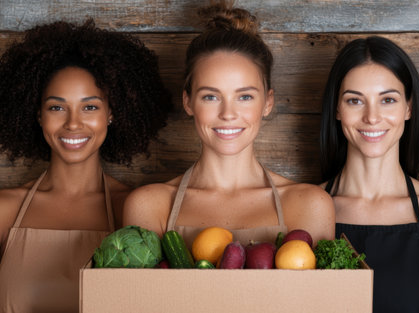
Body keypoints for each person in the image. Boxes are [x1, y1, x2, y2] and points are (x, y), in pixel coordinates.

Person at [123, 2, 335, 249]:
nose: (228, 114)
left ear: (267, 103)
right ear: (188, 102)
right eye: (211, 96)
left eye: (244, 96)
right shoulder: (149, 206)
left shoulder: (309, 204)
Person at [0, 20, 172, 312]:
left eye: (90, 107)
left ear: (111, 114)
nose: (73, 123)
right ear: (38, 115)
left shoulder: (135, 212)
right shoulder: (4, 210)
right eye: (56, 107)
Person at [319, 36, 419, 313]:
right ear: (337, 110)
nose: (372, 117)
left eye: (388, 99)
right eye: (355, 101)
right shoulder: (304, 208)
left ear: (409, 108)